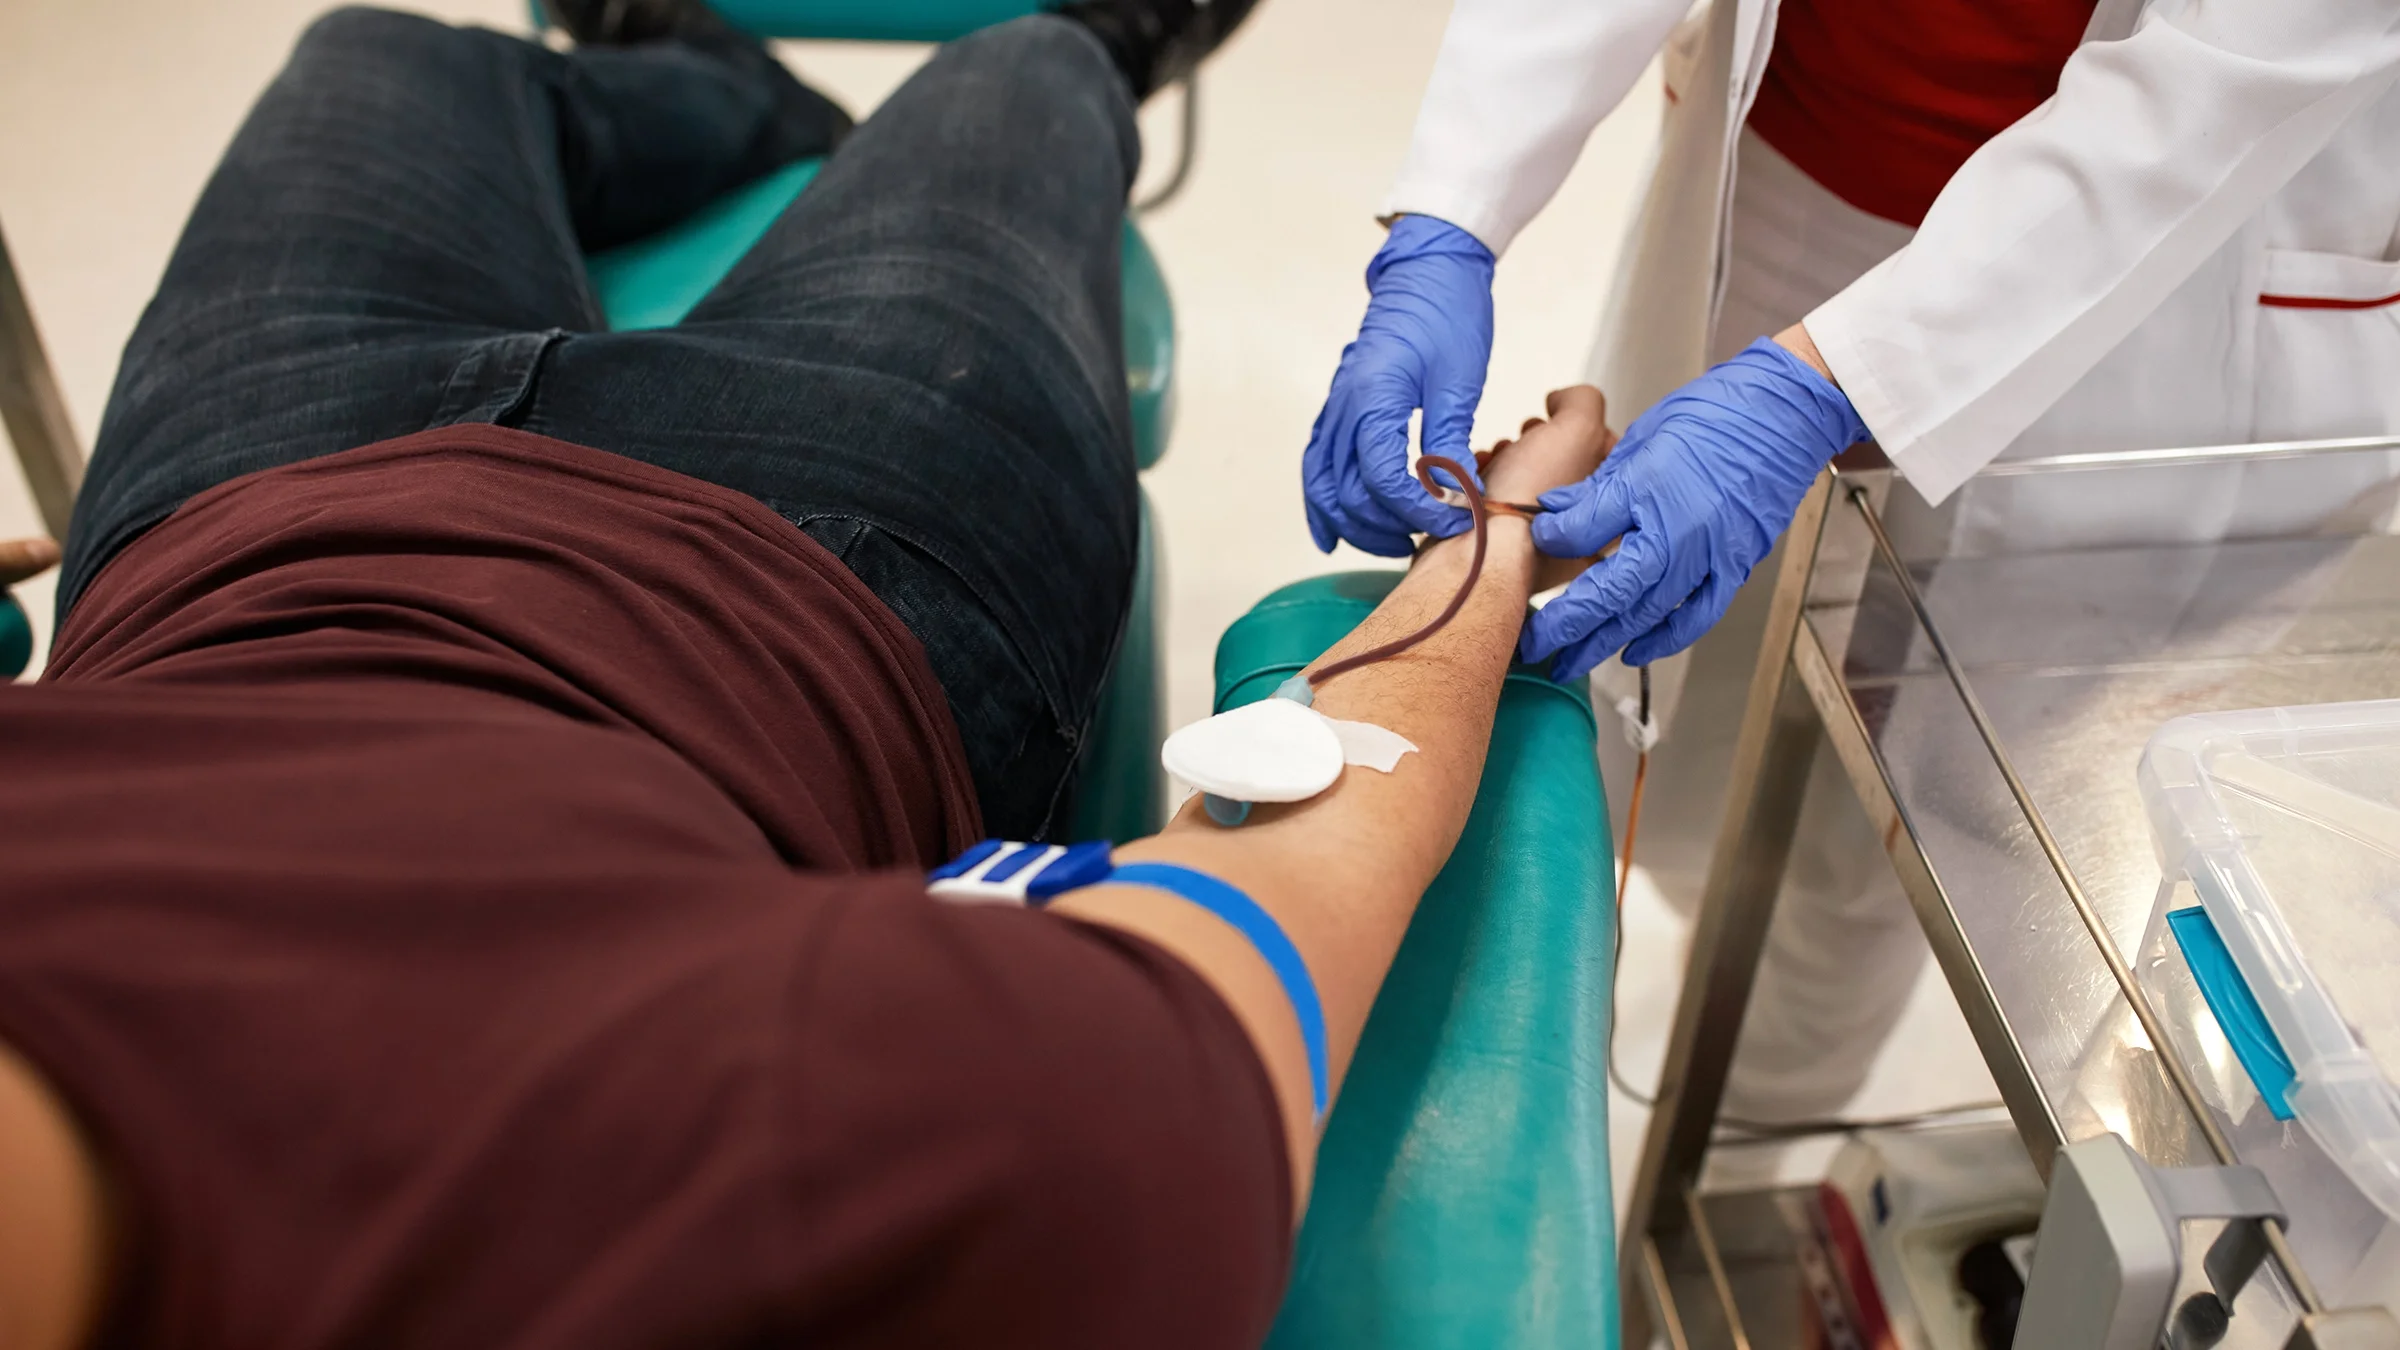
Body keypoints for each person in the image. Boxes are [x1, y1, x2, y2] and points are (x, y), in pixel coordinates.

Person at [0, 3, 1619, 1346]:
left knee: (387, 52)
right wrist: (1496, 541)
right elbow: (1314, 832)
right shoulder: (795, 1177)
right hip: (820, 556)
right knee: (1027, 71)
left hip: (238, 527)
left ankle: (699, 70)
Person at [1303, 0, 2400, 1119]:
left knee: (1914, 820)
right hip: (1802, 152)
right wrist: (1454, 212)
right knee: (1661, 713)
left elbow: (2245, 64)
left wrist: (1824, 382)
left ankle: (1760, 1130)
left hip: (2158, 259)